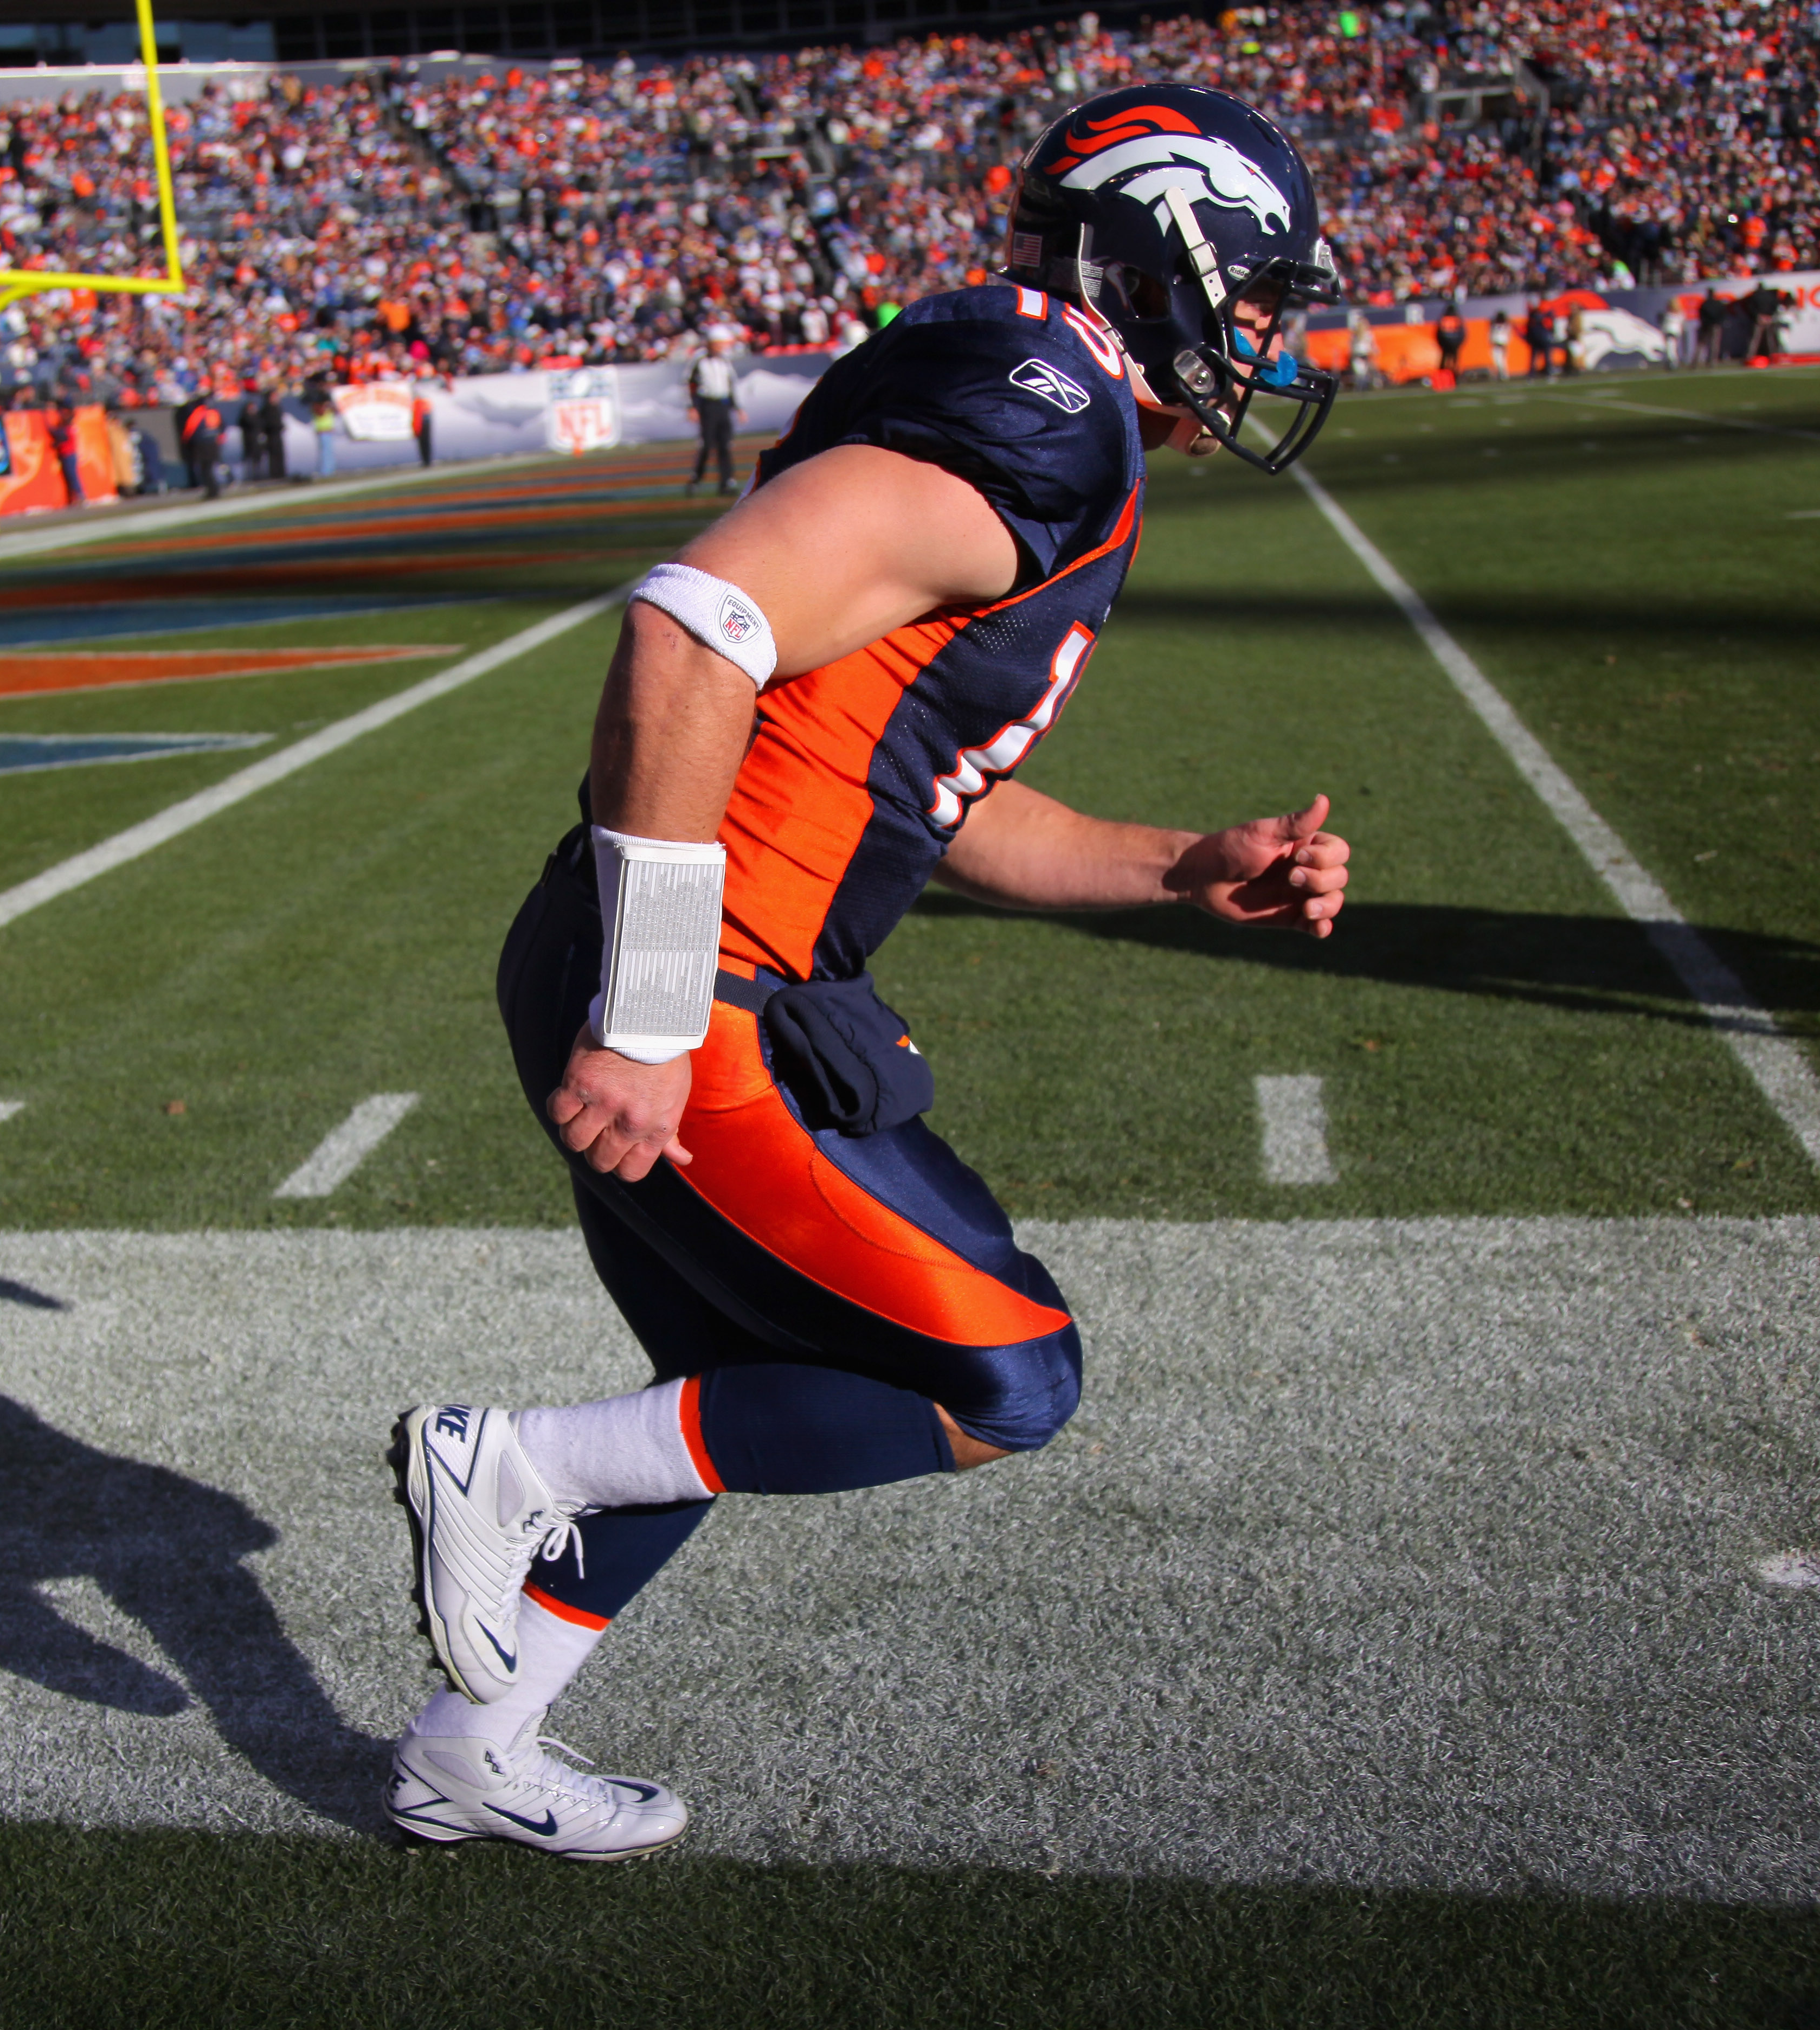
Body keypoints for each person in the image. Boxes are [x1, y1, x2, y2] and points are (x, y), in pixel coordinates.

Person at [384, 81, 1353, 1864]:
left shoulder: (1021, 394)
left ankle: (473, 1742)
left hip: (686, 957)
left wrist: (1171, 861)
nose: (1273, 335)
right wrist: (662, 1007)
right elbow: (695, 629)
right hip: (704, 985)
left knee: (704, 1400)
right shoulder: (1045, 408)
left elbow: (908, 786)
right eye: (1262, 286)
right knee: (1006, 1381)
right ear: (1168, 249)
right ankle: (502, 1467)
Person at [685, 333, 739, 496]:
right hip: (708, 406)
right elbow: (692, 385)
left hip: (723, 405)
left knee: (725, 444)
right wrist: (692, 407)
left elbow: (730, 385)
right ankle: (696, 478)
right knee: (707, 444)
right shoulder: (699, 362)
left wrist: (736, 407)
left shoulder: (725, 362)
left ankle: (727, 482)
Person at [178, 391, 226, 500]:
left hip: (203, 446)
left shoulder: (198, 414)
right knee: (210, 468)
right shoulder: (214, 413)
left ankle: (212, 491)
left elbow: (190, 431)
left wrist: (186, 442)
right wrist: (219, 438)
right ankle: (215, 490)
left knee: (205, 469)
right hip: (214, 444)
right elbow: (222, 427)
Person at [1433, 301, 1467, 384]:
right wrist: (1459, 343)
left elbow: (1438, 333)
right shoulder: (1458, 319)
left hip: (1445, 342)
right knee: (1455, 361)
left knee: (1444, 360)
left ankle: (1442, 377)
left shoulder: (1444, 318)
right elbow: (1462, 332)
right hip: (1455, 342)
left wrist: (1441, 343)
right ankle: (1455, 377)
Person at [411, 384, 435, 469]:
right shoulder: (419, 401)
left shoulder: (422, 401)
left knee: (425, 442)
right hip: (422, 422)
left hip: (424, 422)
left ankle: (427, 461)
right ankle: (426, 461)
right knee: (423, 443)